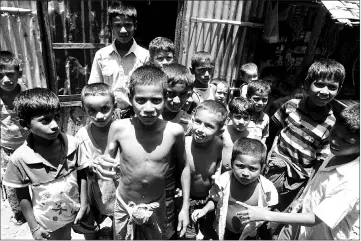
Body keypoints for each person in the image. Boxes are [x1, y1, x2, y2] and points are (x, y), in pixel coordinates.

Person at [93, 65, 190, 240]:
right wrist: (100, 165)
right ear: (130, 98)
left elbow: (184, 168)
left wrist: (184, 208)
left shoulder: (174, 132)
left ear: (165, 97)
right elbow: (107, 160)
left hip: (157, 205)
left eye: (156, 100)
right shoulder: (119, 128)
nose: (148, 108)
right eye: (141, 100)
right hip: (124, 205)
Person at [239, 103, 360, 240]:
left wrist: (264, 215)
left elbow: (316, 218)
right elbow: (316, 184)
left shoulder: (354, 181)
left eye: (345, 141)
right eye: (334, 133)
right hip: (301, 226)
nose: (335, 141)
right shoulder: (336, 154)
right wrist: (300, 201)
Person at [2, 88, 89, 240]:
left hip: (76, 210)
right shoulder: (20, 158)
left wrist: (84, 205)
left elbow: (83, 174)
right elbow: (22, 195)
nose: (55, 125)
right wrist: (34, 227)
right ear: (25, 124)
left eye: (57, 116)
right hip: (49, 220)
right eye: (45, 120)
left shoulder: (73, 144)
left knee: (85, 233)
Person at [265, 59, 345, 212]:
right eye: (319, 84)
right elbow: (271, 133)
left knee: (277, 218)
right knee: (260, 207)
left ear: (339, 89)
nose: (324, 91)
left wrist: (302, 197)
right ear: (307, 84)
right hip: (273, 169)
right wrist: (263, 160)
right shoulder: (291, 106)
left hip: (296, 181)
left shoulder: (331, 125)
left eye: (332, 87)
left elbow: (317, 165)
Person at [192, 138, 278, 240]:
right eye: (240, 166)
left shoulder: (266, 188)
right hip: (225, 231)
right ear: (232, 163)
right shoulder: (223, 181)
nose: (245, 173)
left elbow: (271, 204)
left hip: (250, 234)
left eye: (252, 169)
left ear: (262, 168)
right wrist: (204, 209)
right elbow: (214, 200)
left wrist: (261, 213)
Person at [88, 1, 149, 118]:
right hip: (106, 115)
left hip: (136, 115)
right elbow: (94, 89)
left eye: (127, 25)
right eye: (117, 25)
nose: (123, 30)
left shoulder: (145, 56)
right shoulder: (101, 55)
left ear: (135, 25)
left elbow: (148, 90)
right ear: (111, 27)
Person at [180, 100, 227, 240]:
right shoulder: (184, 144)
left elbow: (219, 162)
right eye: (198, 122)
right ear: (192, 120)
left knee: (209, 234)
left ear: (220, 131)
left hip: (209, 200)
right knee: (187, 235)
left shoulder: (218, 144)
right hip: (186, 200)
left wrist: (218, 173)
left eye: (208, 126)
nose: (200, 129)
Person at [75, 83, 116, 239]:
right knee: (89, 225)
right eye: (92, 110)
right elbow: (79, 166)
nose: (99, 116)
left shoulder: (122, 131)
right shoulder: (82, 136)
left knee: (119, 225)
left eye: (105, 109)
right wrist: (89, 165)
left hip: (117, 189)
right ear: (84, 109)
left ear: (115, 106)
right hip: (93, 190)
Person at [160, 63, 193, 239]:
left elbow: (185, 163)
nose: (177, 101)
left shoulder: (189, 124)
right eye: (170, 94)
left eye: (183, 95)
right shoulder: (147, 118)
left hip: (174, 192)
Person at [0, 51, 29, 225]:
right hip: (6, 148)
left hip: (29, 145)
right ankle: (18, 213)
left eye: (10, 74)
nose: (5, 80)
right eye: (0, 76)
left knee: (34, 177)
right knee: (11, 182)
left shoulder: (27, 94)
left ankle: (38, 208)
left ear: (19, 74)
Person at [221, 97, 254, 173]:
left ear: (251, 118)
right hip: (221, 172)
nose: (241, 122)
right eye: (238, 117)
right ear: (230, 116)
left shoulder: (250, 136)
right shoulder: (223, 132)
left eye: (246, 118)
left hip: (240, 175)